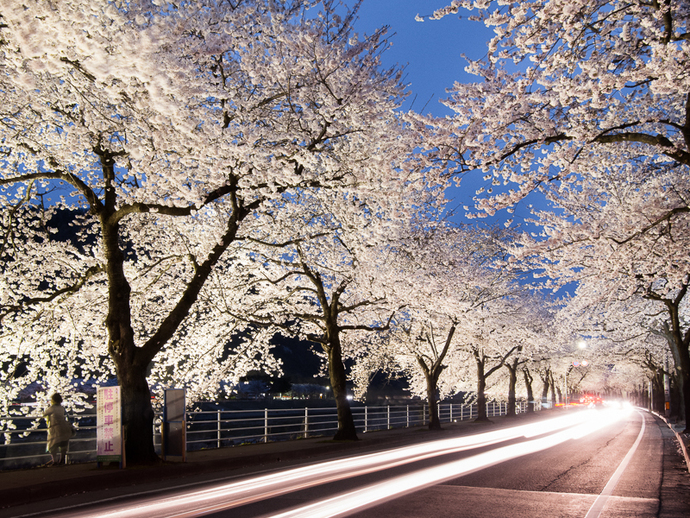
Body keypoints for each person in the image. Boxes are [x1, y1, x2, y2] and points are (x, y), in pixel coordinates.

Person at [42, 393, 73, 466]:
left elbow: (44, 414)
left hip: (55, 429)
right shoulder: (61, 408)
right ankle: (61, 460)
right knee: (63, 444)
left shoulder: (52, 408)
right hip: (63, 428)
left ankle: (55, 461)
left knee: (52, 445)